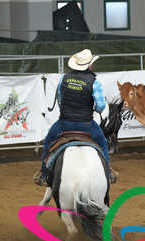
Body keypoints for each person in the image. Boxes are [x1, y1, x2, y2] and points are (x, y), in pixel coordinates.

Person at [34, 49, 118, 186]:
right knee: (103, 142)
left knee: (48, 141)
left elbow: (60, 99)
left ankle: (43, 174)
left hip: (64, 123)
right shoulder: (94, 82)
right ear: (89, 65)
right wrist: (93, 109)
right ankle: (107, 173)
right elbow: (101, 106)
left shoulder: (63, 78)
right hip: (86, 124)